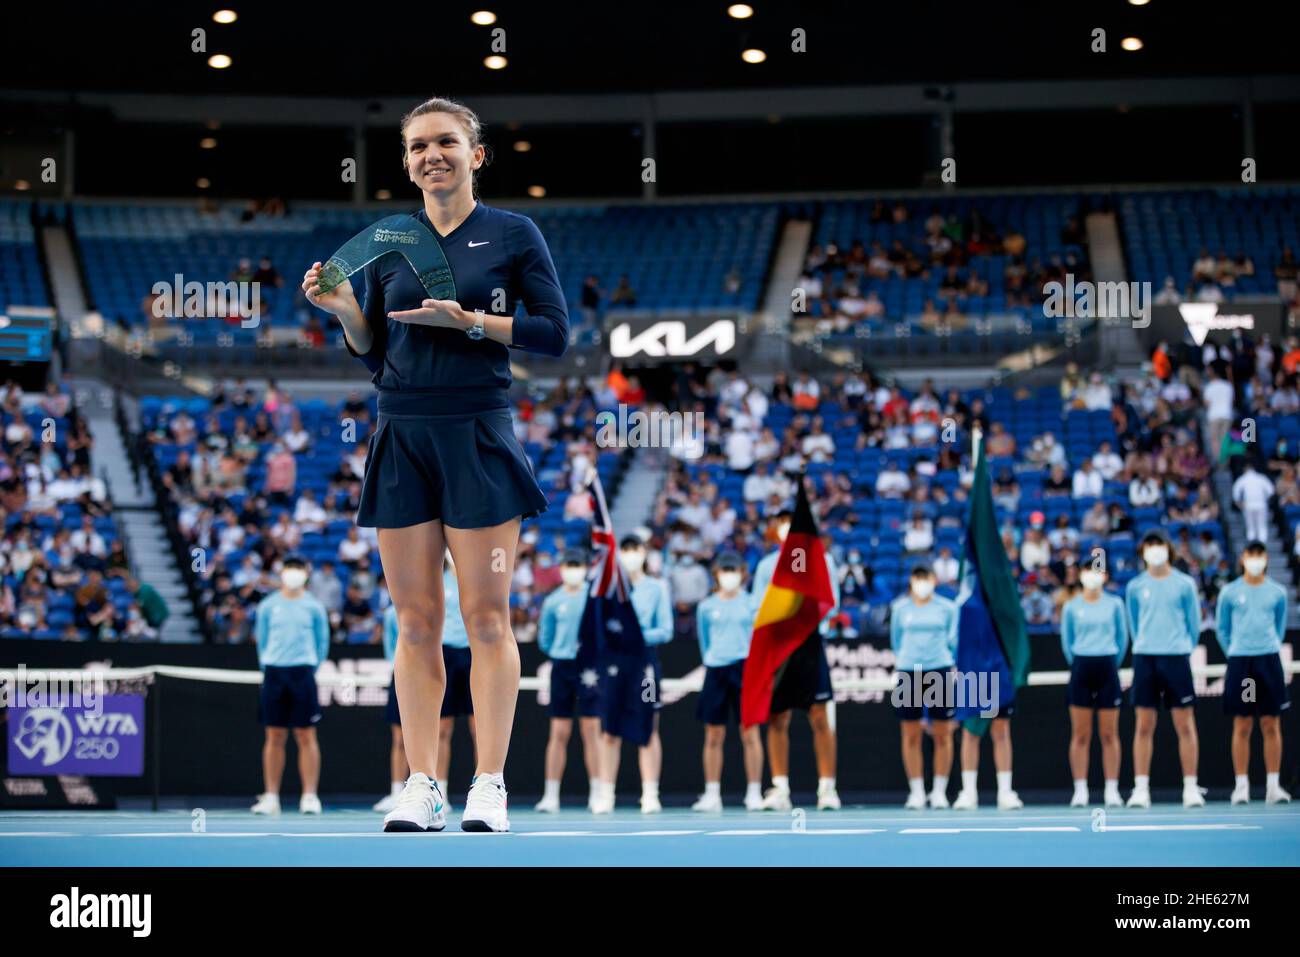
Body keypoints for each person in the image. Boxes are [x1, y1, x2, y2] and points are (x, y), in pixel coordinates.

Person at [304, 96, 567, 833]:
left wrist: (473, 322)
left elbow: (554, 334)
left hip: (478, 433)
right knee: (415, 621)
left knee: (486, 617)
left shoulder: (515, 233)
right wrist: (346, 311)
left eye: (446, 142)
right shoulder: (389, 242)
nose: (432, 155)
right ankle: (422, 783)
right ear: (408, 160)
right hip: (402, 435)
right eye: (419, 146)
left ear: (476, 153)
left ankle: (489, 782)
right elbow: (376, 354)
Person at [750, 510, 842, 811]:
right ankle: (779, 788)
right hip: (778, 647)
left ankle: (827, 788)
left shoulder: (822, 560)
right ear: (776, 529)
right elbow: (756, 606)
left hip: (810, 644)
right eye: (783, 523)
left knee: (819, 715)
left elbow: (832, 603)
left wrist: (803, 619)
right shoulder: (767, 566)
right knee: (777, 717)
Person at [591, 536, 673, 814]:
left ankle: (651, 794)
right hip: (614, 666)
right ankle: (606, 794)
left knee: (648, 726)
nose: (630, 555)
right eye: (625, 550)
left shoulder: (657, 588)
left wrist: (637, 637)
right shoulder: (610, 589)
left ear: (644, 553)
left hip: (646, 665)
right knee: (609, 729)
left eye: (635, 549)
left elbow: (666, 629)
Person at [1125, 530, 1205, 808]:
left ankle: (1191, 788)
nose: (1155, 549)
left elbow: (1194, 626)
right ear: (1143, 550)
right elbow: (1135, 624)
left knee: (1185, 724)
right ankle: (1141, 789)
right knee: (1143, 726)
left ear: (1168, 548)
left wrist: (1181, 646)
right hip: (1145, 658)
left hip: (1176, 658)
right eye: (1150, 545)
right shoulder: (1135, 586)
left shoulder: (1184, 584)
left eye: (1159, 544)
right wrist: (1146, 644)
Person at [251, 555, 331, 816]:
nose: (293, 573)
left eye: (298, 568)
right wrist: (270, 664)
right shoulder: (267, 606)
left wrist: (310, 666)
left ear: (306, 573)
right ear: (282, 572)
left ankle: (309, 796)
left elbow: (322, 642)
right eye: (289, 568)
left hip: (303, 673)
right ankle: (271, 796)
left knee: (306, 735)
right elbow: (262, 641)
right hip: (274, 672)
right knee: (274, 736)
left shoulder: (314, 607)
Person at [1215, 542, 1291, 805]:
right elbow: (1222, 629)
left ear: (1266, 558)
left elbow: (1279, 628)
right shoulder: (1230, 592)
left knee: (1271, 723)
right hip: (1242, 663)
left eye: (1260, 555)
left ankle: (1273, 785)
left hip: (1268, 661)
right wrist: (1237, 651)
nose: (1255, 559)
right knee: (1243, 723)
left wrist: (1266, 647)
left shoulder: (1277, 593)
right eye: (1251, 554)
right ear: (1243, 558)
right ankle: (1241, 786)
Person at [692, 552, 764, 812]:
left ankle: (754, 792)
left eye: (734, 570)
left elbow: (759, 639)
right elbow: (705, 641)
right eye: (725, 570)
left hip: (744, 668)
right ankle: (712, 793)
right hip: (716, 669)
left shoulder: (752, 603)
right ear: (717, 574)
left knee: (750, 731)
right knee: (713, 734)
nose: (729, 575)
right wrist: (714, 659)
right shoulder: (707, 606)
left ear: (743, 573)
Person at [535, 548, 600, 813]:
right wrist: (561, 653)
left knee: (591, 731)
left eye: (578, 564)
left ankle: (598, 792)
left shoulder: (594, 597)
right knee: (559, 732)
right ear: (562, 569)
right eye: (569, 565)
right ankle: (551, 794)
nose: (573, 569)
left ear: (585, 568)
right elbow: (545, 639)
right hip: (562, 667)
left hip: (589, 667)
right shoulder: (553, 601)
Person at [891, 565, 959, 809]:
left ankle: (939, 791)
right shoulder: (900, 608)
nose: (922, 582)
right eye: (917, 578)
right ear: (911, 580)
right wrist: (907, 662)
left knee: (943, 733)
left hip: (939, 669)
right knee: (910, 735)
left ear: (934, 579)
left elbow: (953, 641)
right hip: (909, 671)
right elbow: (896, 641)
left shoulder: (947, 608)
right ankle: (917, 791)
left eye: (926, 577)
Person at [1060, 566, 1128, 808]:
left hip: (1108, 666)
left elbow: (1122, 638)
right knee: (1080, 734)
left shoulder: (1115, 604)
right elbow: (1067, 641)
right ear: (1080, 575)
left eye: (1098, 571)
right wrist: (1079, 660)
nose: (1093, 576)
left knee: (1109, 734)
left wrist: (1110, 661)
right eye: (1088, 571)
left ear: (1106, 576)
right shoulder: (1072, 606)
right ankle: (1080, 790)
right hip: (1081, 667)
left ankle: (1112, 790)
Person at [373, 601, 406, 814]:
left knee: (433, 733)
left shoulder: (441, 604)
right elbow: (390, 648)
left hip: (432, 672)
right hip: (401, 674)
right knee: (400, 738)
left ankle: (432, 788)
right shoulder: (390, 614)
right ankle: (397, 792)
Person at [1231, 463, 1275, 544]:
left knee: (1250, 526)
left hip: (1249, 505)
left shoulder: (1242, 479)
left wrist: (1239, 503)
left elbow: (1235, 492)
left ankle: (1252, 542)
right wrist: (1265, 500)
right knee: (1261, 525)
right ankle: (1262, 542)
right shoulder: (1261, 478)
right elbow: (1271, 491)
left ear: (1245, 470)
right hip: (1261, 504)